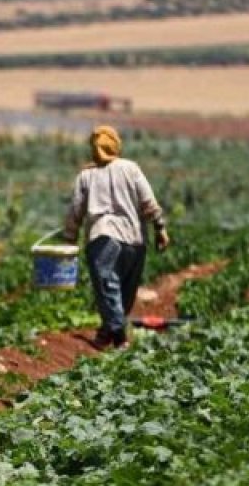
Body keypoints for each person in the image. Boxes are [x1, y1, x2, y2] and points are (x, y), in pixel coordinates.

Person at [62, 125, 170, 349]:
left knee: (108, 287)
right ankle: (109, 333)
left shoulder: (86, 176)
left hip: (102, 237)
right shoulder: (131, 169)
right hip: (134, 238)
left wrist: (69, 237)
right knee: (124, 291)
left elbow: (75, 210)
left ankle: (117, 335)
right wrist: (160, 228)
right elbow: (148, 201)